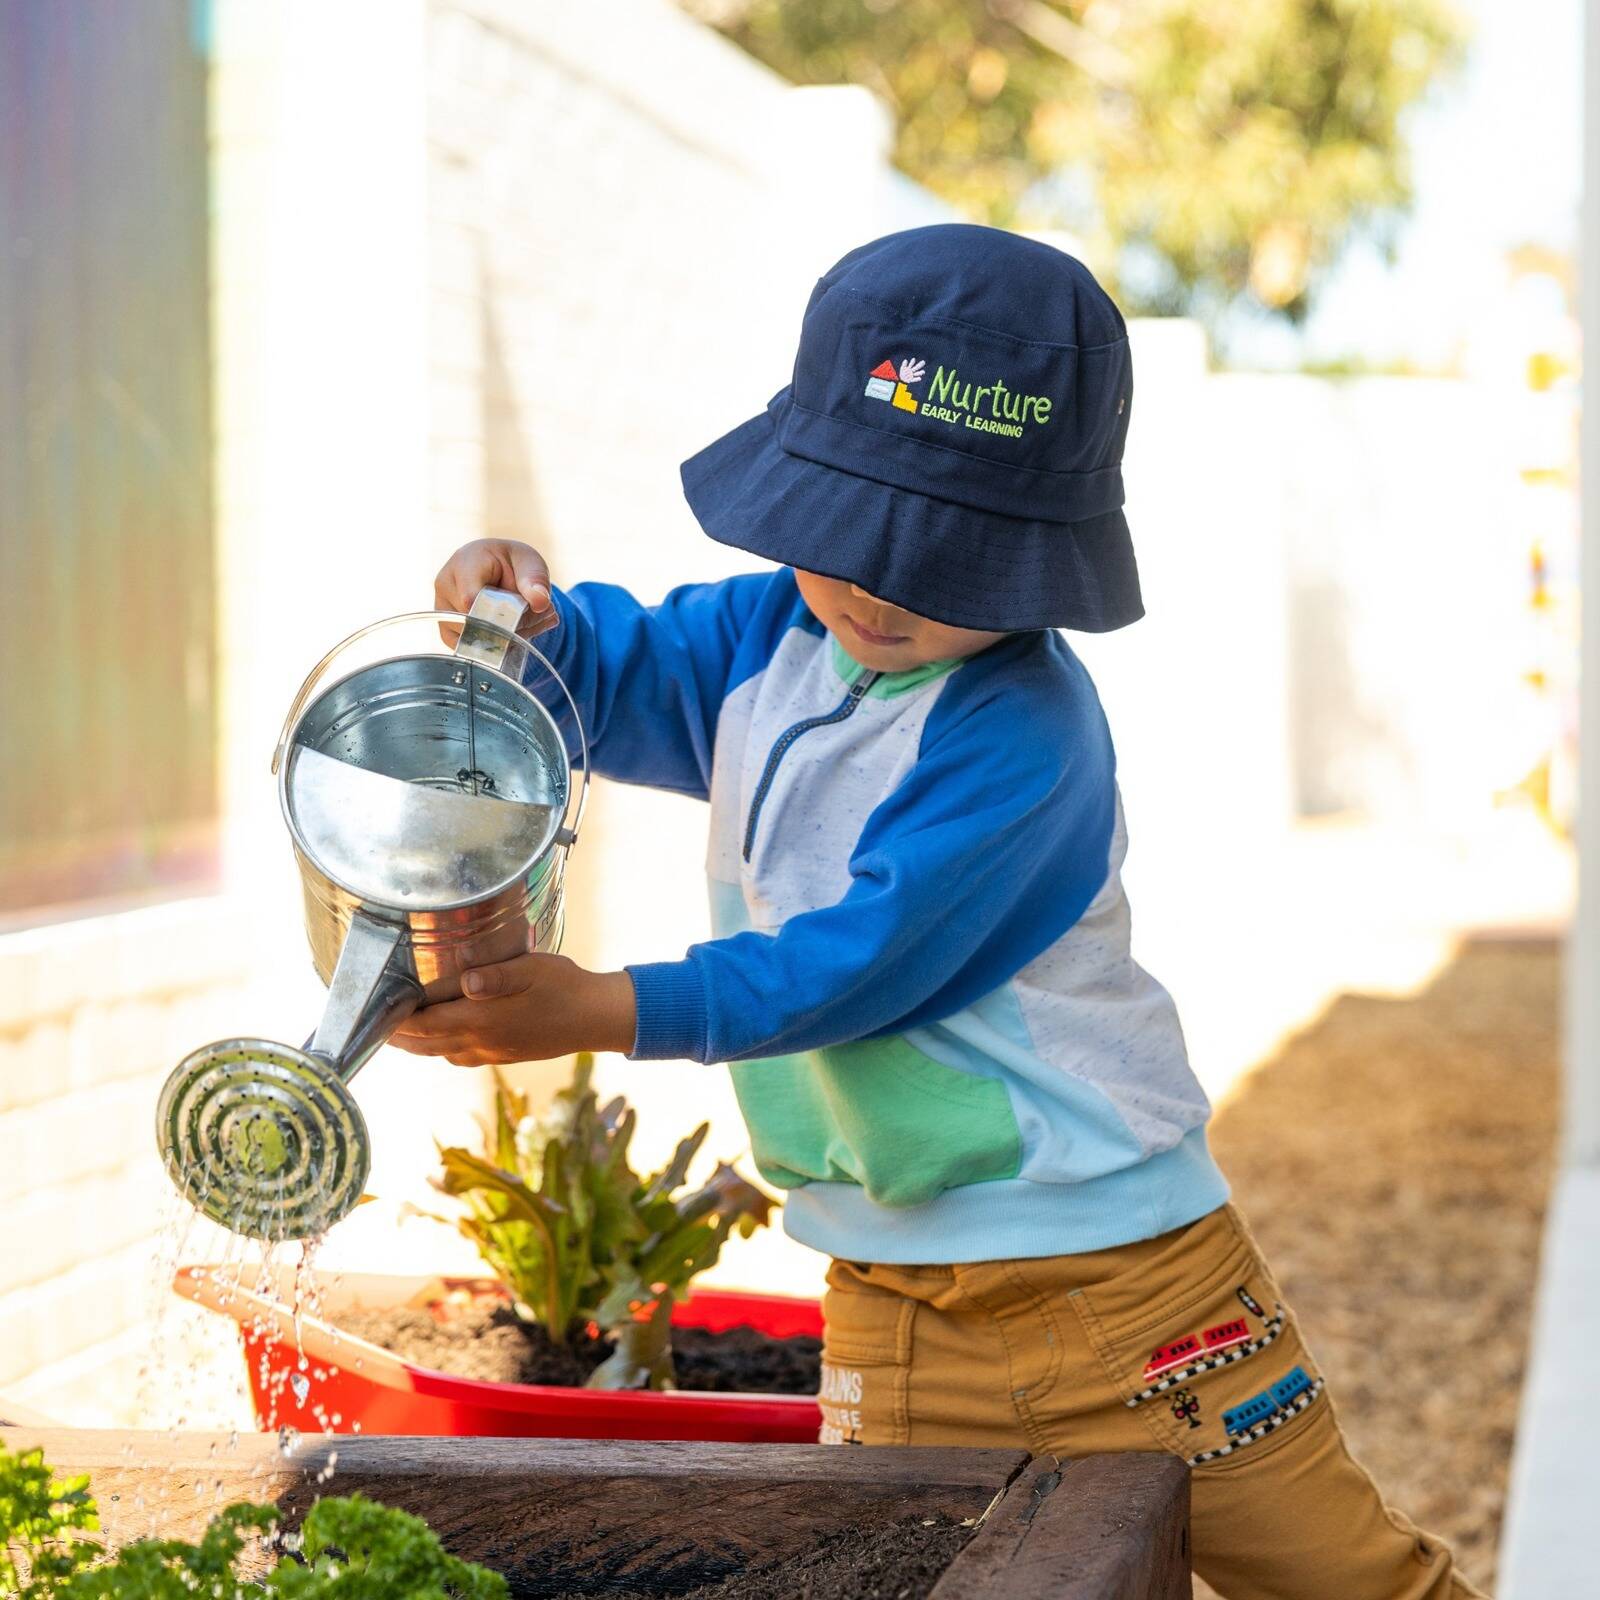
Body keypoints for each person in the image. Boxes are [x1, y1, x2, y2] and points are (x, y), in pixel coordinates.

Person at [392, 224, 1484, 1600]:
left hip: (1129, 1287)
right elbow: (627, 677)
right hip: (888, 1285)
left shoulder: (1026, 736)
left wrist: (609, 1009)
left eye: (948, 561)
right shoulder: (765, 640)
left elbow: (865, 962)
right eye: (849, 534)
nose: (880, 586)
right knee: (892, 1582)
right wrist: (535, 627)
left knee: (1354, 1581)